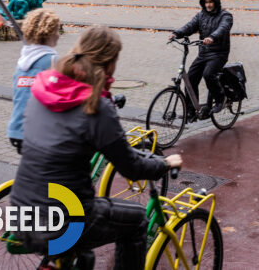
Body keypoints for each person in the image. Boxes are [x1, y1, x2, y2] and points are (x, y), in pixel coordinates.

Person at [10, 26, 180, 269]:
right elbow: (131, 167)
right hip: (65, 224)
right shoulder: (96, 106)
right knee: (137, 221)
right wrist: (163, 163)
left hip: (21, 215)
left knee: (84, 256)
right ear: (110, 63)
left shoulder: (44, 88)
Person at [168, 0, 233, 117]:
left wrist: (212, 37)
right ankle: (191, 110)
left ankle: (220, 99)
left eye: (210, 2)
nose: (208, 5)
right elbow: (190, 26)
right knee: (190, 78)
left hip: (218, 53)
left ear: (216, 2)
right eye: (206, 2)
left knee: (208, 74)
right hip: (203, 53)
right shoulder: (201, 15)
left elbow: (223, 28)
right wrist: (176, 34)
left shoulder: (225, 16)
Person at [6, 8, 61, 153]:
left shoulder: (23, 61)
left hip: (16, 129)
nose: (59, 35)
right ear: (48, 33)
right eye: (57, 31)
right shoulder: (53, 61)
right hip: (38, 132)